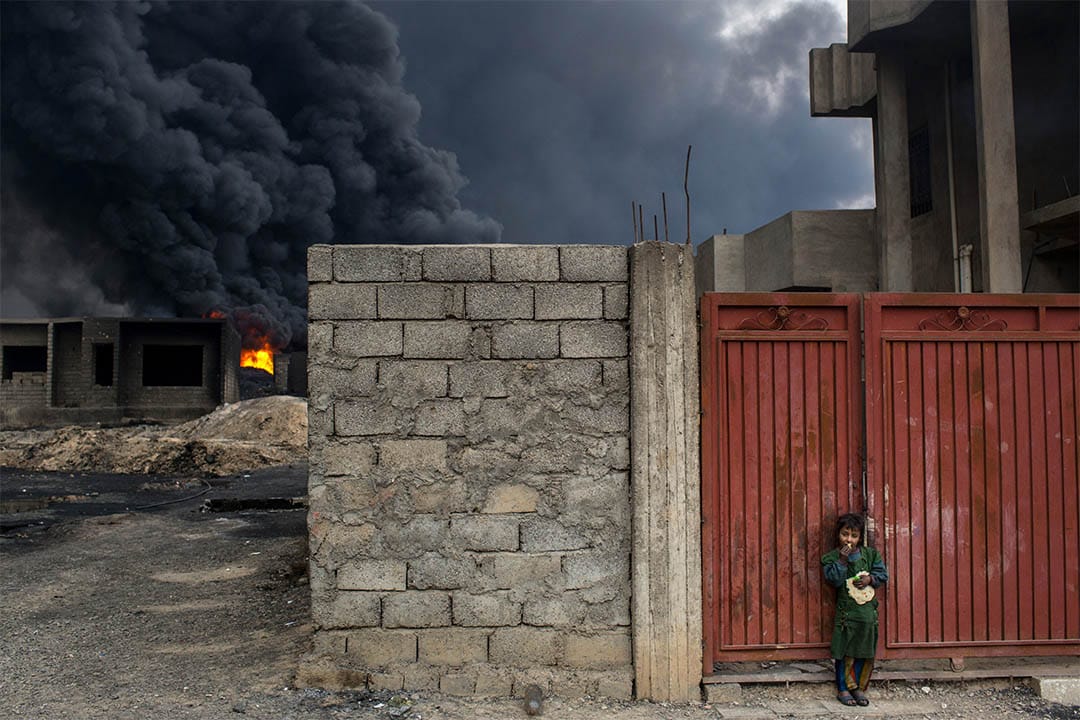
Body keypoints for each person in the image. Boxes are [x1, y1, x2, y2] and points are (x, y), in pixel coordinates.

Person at [821, 512, 888, 707]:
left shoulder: (871, 554)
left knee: (864, 651)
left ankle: (858, 687)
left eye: (854, 535)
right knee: (844, 651)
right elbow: (833, 579)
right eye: (845, 534)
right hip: (846, 616)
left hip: (867, 616)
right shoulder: (831, 558)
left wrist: (870, 579)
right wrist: (842, 560)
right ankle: (843, 688)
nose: (848, 539)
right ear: (838, 534)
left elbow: (882, 574)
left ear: (860, 537)